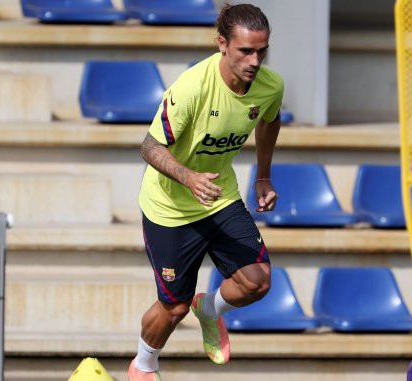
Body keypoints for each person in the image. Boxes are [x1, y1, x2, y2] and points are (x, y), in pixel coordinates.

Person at [128, 4, 284, 380]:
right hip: (170, 208)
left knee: (257, 281)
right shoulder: (192, 87)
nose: (255, 60)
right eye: (246, 50)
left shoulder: (270, 86)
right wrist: (188, 178)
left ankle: (211, 309)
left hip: (219, 197)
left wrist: (263, 176)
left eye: (261, 51)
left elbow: (270, 119)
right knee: (174, 308)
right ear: (222, 44)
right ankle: (143, 365)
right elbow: (149, 147)